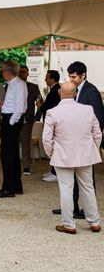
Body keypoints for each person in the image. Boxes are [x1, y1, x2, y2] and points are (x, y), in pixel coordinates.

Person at [42, 82, 101, 234]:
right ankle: (94, 222)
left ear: (60, 92)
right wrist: (92, 148)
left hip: (63, 156)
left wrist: (51, 153)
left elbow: (46, 139)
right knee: (88, 187)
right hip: (85, 155)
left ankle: (69, 224)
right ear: (75, 93)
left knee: (66, 189)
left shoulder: (53, 112)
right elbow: (97, 133)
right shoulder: (87, 109)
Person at [51, 61, 104, 218]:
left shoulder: (91, 91)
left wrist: (93, 145)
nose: (71, 79)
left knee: (87, 181)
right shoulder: (73, 90)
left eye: (74, 77)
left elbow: (99, 119)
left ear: (83, 75)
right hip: (72, 143)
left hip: (84, 144)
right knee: (72, 179)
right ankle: (71, 207)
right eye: (69, 76)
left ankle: (86, 211)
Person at [0, 60, 27, 198]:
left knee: (7, 154)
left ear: (7, 71)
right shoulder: (13, 85)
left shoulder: (18, 84)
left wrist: (11, 122)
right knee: (11, 154)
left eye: (2, 71)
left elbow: (20, 107)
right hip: (9, 117)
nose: (2, 73)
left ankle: (8, 188)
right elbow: (15, 104)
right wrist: (4, 105)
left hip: (11, 120)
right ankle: (16, 185)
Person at [37, 70, 61, 182]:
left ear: (52, 79)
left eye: (46, 77)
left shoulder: (56, 90)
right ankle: (53, 170)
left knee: (54, 147)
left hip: (54, 123)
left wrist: (40, 106)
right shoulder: (54, 89)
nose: (45, 79)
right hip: (51, 121)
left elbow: (50, 107)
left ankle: (56, 172)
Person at [18, 65, 41, 175]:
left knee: (26, 144)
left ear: (27, 73)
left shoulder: (34, 87)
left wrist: (37, 117)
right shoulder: (10, 86)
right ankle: (14, 165)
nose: (21, 73)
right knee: (13, 143)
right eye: (19, 72)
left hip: (27, 120)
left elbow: (40, 103)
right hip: (13, 120)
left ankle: (26, 167)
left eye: (23, 72)